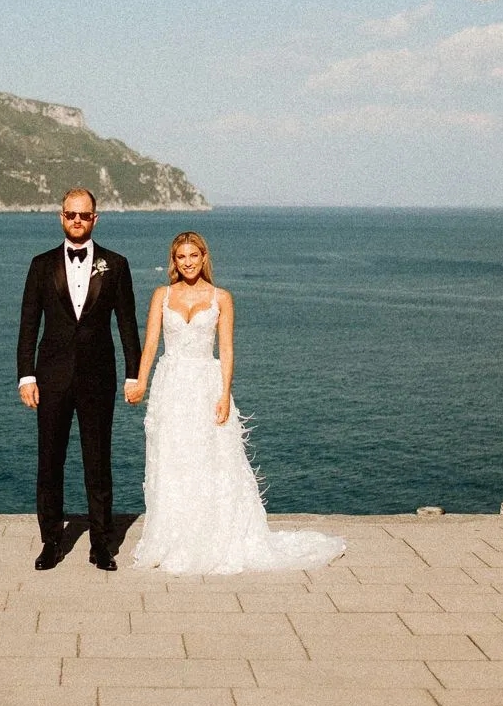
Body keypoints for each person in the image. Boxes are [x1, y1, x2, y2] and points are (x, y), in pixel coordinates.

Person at [127, 231, 344, 575]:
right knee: (172, 459)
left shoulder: (221, 298)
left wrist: (225, 394)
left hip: (206, 385)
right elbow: (151, 344)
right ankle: (172, 537)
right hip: (171, 387)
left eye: (193, 256)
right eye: (181, 257)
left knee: (211, 460)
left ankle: (213, 537)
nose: (187, 263)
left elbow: (226, 350)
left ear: (203, 258)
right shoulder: (161, 296)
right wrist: (139, 381)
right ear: (174, 260)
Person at [18, 188, 142, 571]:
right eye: (71, 214)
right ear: (61, 216)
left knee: (98, 461)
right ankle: (51, 541)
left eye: (84, 215)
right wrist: (26, 376)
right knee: (49, 461)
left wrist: (133, 374)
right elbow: (28, 325)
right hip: (50, 377)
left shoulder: (116, 265)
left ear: (95, 218)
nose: (77, 221)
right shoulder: (40, 265)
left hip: (98, 378)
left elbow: (127, 324)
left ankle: (102, 545)